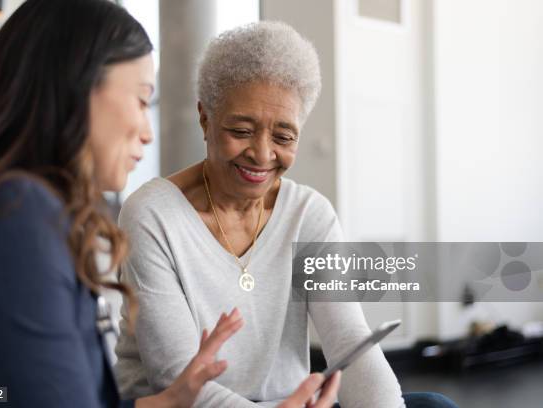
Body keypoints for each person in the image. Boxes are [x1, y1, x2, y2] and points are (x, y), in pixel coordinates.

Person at [0, 1, 341, 407]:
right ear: (76, 90)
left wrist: (168, 402)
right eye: (143, 101)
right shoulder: (11, 214)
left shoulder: (0, 205)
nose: (147, 132)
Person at [115, 21, 458, 408]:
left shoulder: (309, 214)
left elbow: (350, 341)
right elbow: (177, 378)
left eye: (283, 137)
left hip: (290, 403)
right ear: (205, 118)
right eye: (241, 130)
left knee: (433, 405)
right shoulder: (152, 215)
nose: (262, 155)